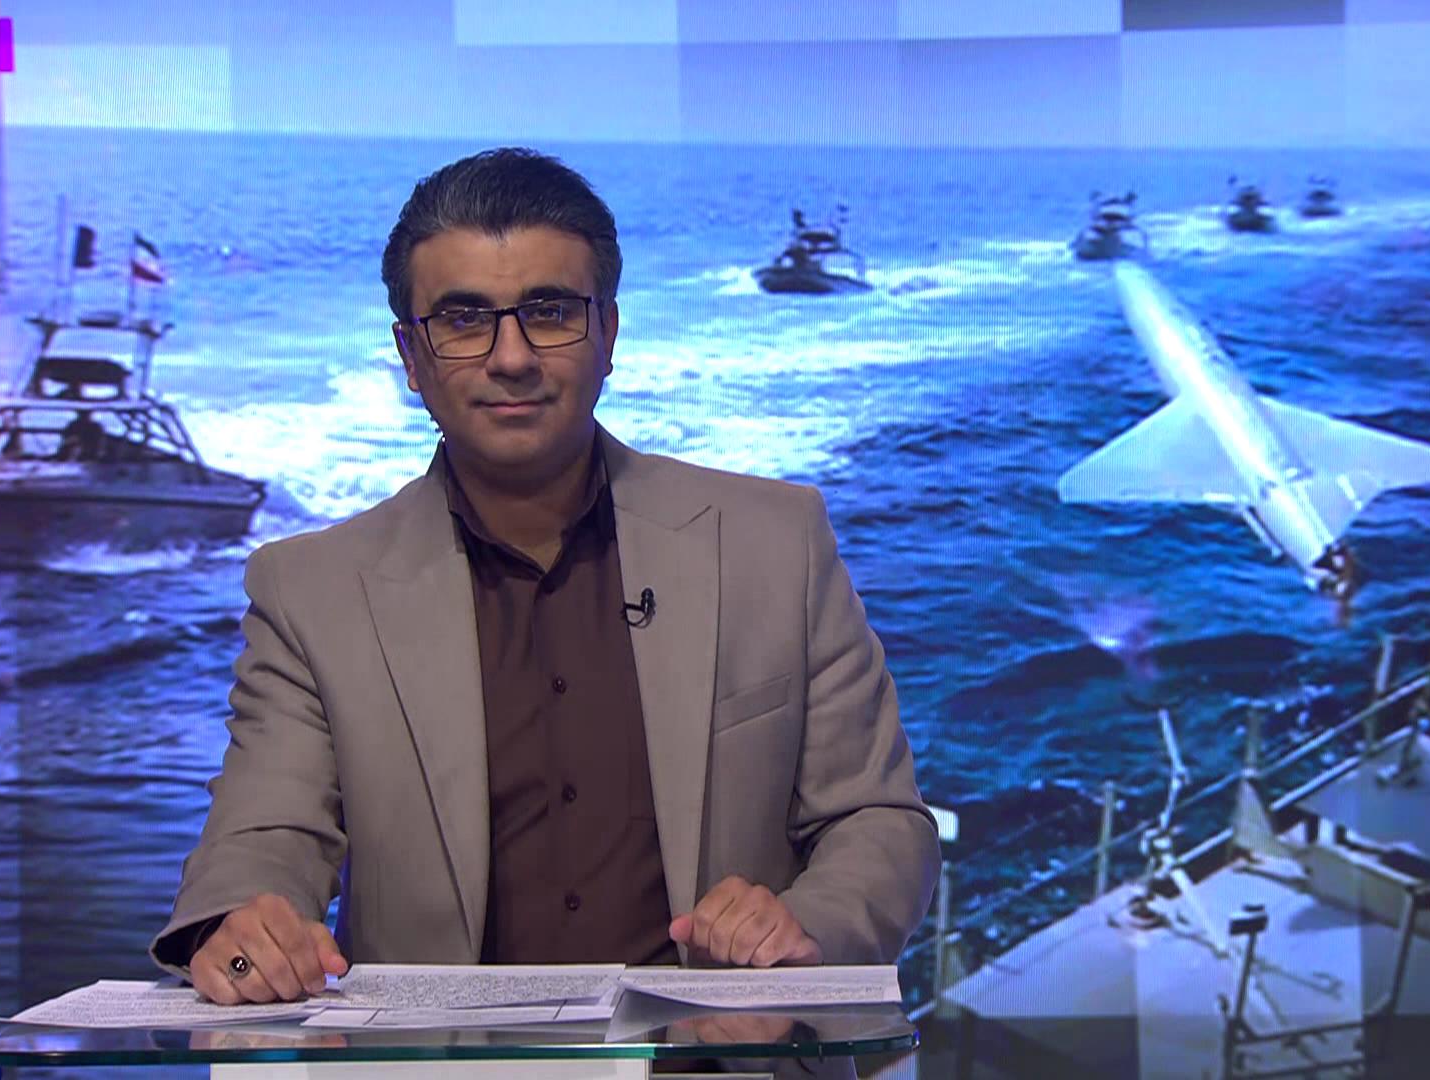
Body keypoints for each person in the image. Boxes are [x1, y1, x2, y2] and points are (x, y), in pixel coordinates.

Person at [151, 149, 940, 1019]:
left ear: (609, 335)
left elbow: (878, 822)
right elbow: (264, 838)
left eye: (550, 313)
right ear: (411, 356)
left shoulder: (775, 542)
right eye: (463, 320)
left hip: (721, 1060)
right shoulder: (311, 591)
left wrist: (801, 931)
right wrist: (242, 930)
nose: (512, 357)